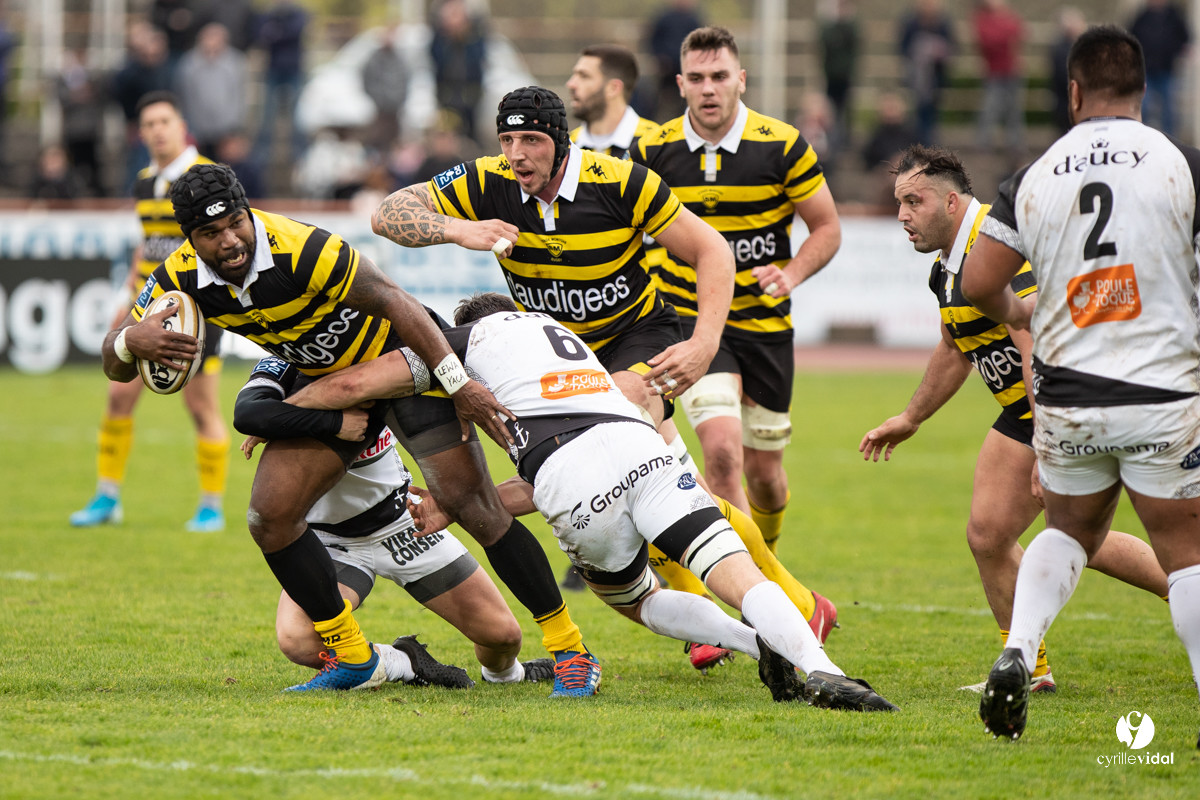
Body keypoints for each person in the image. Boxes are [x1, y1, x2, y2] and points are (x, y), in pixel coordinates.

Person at [373, 84, 838, 671]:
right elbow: (387, 213)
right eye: (508, 139)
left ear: (559, 140)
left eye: (532, 140)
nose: (517, 154)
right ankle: (798, 604)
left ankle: (726, 614)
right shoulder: (488, 179)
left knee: (618, 441)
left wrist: (704, 344)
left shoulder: (619, 181)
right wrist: (457, 230)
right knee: (669, 479)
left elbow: (712, 251)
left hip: (636, 342)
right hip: (561, 357)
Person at [102, 162, 596, 697]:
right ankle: (356, 658)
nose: (229, 241)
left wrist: (456, 385)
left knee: (474, 504)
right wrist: (131, 342)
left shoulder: (301, 247)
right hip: (336, 385)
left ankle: (571, 650)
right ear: (190, 240)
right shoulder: (178, 277)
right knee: (269, 517)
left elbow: (398, 303)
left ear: (248, 212)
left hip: (402, 361)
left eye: (236, 224)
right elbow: (115, 357)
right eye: (210, 234)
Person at [277, 291, 899, 712]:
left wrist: (283, 411)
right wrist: (457, 507)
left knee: (644, 601)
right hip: (639, 446)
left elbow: (359, 382)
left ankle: (745, 640)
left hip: (570, 475)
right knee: (731, 568)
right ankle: (820, 667)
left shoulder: (457, 345)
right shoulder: (557, 335)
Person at [961, 25, 1200, 743]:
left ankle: (1015, 650)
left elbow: (979, 284)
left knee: (1067, 531)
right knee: (1186, 555)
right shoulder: (1180, 163)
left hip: (1067, 395)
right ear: (1144, 89)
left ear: (1071, 93)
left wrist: (1018, 308)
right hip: (1162, 390)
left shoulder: (1035, 174)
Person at [860, 143, 1169, 695]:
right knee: (991, 536)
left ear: (952, 202)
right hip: (1024, 413)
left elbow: (1033, 338)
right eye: (899, 202)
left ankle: (1187, 589)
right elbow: (956, 347)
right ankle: (1031, 668)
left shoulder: (1000, 247)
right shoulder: (945, 269)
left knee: (1076, 538)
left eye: (914, 201)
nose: (903, 215)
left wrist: (1048, 434)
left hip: (1067, 403)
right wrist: (912, 417)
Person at [635, 26, 842, 555]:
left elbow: (827, 227)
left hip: (765, 324)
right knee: (722, 456)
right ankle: (760, 592)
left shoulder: (783, 144)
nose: (709, 89)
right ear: (680, 84)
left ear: (741, 80)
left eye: (720, 77)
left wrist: (791, 274)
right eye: (698, 78)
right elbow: (625, 231)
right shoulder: (651, 149)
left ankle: (765, 563)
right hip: (690, 320)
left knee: (766, 472)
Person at [234, 355, 554, 688]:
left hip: (403, 524)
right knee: (297, 639)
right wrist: (325, 423)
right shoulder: (284, 361)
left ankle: (510, 675)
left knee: (502, 637)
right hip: (331, 543)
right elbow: (248, 414)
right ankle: (404, 662)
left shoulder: (381, 358)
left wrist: (283, 418)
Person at [70, 91, 229, 533]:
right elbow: (149, 246)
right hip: (146, 306)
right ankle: (107, 497)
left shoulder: (206, 179)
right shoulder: (143, 181)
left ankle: (212, 506)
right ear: (141, 134)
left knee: (201, 408)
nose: (157, 131)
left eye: (164, 121)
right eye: (149, 125)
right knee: (118, 396)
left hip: (197, 311)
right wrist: (127, 302)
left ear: (182, 126)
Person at [566, 44, 659, 161]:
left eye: (584, 76)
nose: (571, 84)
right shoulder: (568, 146)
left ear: (613, 88)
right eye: (574, 75)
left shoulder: (656, 143)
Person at [174, 22, 248, 159]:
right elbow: (185, 96)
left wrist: (234, 128)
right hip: (197, 130)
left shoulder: (235, 62)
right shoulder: (188, 63)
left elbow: (238, 96)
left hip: (226, 130)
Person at [1128, 0, 1191, 137]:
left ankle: (1170, 139)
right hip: (1146, 71)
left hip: (1167, 70)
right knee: (1143, 106)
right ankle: (1142, 136)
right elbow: (1130, 37)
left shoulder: (1174, 16)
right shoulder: (1142, 17)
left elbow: (1185, 38)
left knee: (1169, 110)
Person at [972, 0, 1025, 157]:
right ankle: (984, 143)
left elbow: (1019, 31)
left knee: (1014, 110)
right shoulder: (982, 19)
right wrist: (1005, 37)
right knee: (990, 108)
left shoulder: (1007, 17)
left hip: (1012, 70)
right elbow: (989, 40)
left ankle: (1015, 144)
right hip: (994, 72)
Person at [898, 0, 955, 145]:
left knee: (932, 112)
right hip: (916, 76)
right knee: (918, 110)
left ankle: (930, 141)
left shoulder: (943, 24)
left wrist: (939, 51)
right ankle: (920, 142)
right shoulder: (911, 23)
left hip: (936, 76)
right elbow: (902, 47)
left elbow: (952, 46)